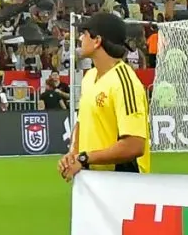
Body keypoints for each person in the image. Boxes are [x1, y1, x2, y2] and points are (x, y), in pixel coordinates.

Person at [58, 12, 150, 180]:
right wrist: (73, 155)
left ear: (97, 41)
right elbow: (81, 122)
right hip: (93, 182)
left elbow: (134, 145)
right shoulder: (89, 77)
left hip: (122, 184)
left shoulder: (124, 81)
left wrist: (85, 158)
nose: (80, 39)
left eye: (84, 34)